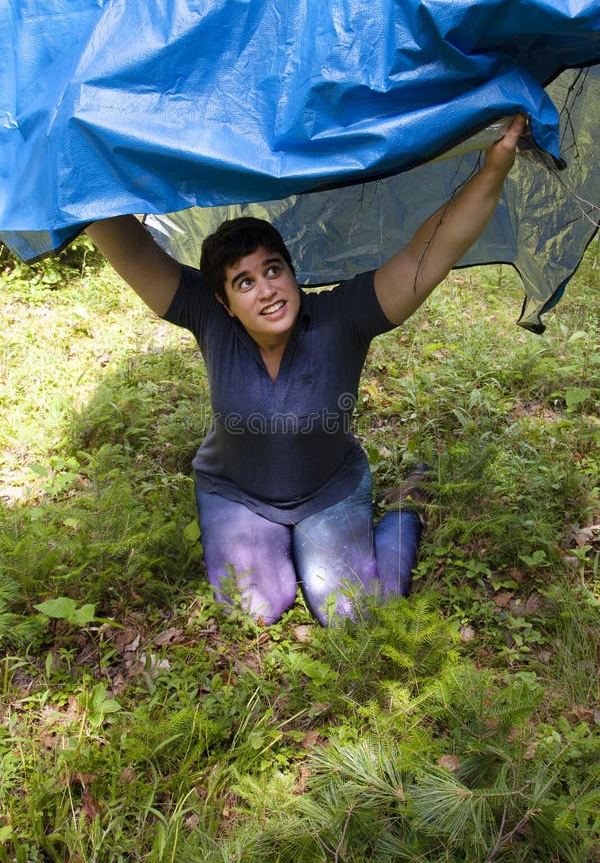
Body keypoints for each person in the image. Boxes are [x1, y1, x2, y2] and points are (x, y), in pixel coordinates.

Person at [86, 114, 526, 626]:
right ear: (225, 302)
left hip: (329, 490)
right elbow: (131, 246)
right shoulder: (209, 319)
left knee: (353, 614)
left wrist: (495, 164)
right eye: (244, 282)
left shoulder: (344, 317)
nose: (266, 289)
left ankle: (407, 504)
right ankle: (280, 551)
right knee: (254, 608)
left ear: (293, 274)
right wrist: (76, 173)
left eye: (273, 270)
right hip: (237, 491)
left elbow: (427, 253)